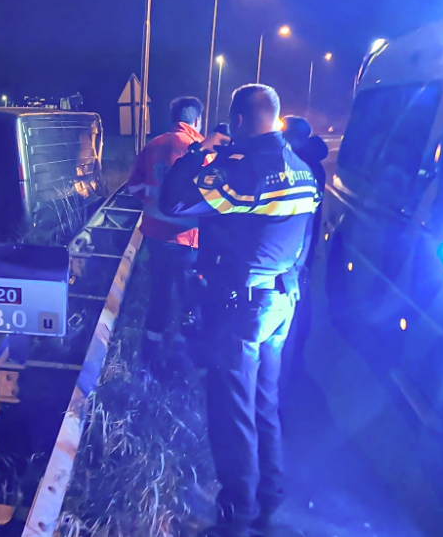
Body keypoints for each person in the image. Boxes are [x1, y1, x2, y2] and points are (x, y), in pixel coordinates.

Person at [159, 85, 320, 537]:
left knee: (232, 412)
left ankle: (237, 516)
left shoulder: (241, 174)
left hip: (242, 307)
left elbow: (173, 201)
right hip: (282, 302)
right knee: (264, 402)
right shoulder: (302, 169)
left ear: (239, 120)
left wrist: (198, 153)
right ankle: (269, 496)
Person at [126, 96, 204, 373]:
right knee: (189, 299)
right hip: (187, 240)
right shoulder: (201, 149)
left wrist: (151, 202)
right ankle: (182, 357)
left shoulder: (153, 145)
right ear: (197, 120)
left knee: (158, 295)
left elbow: (133, 186)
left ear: (174, 118)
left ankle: (149, 357)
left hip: (156, 237)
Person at [279, 116, 328, 384]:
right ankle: (295, 358)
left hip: (296, 250)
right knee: (300, 302)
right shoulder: (313, 166)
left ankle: (292, 360)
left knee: (297, 305)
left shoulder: (301, 167)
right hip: (304, 248)